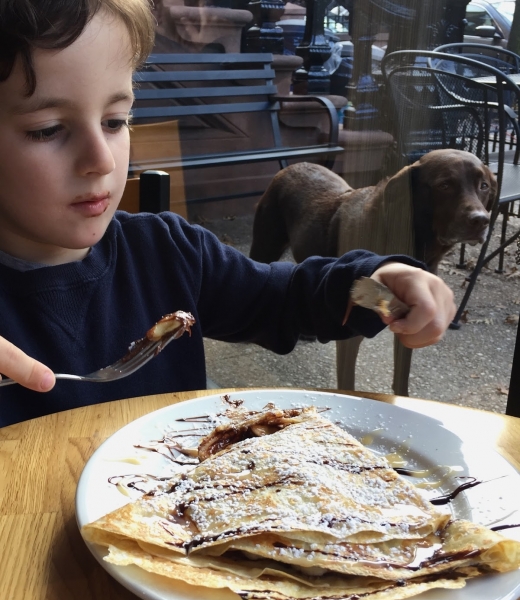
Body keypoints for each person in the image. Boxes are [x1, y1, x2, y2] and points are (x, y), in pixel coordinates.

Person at [0, 0, 456, 428]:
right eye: (48, 130)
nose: (102, 159)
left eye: (115, 121)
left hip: (160, 508)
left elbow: (287, 297)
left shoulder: (169, 254)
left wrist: (379, 284)